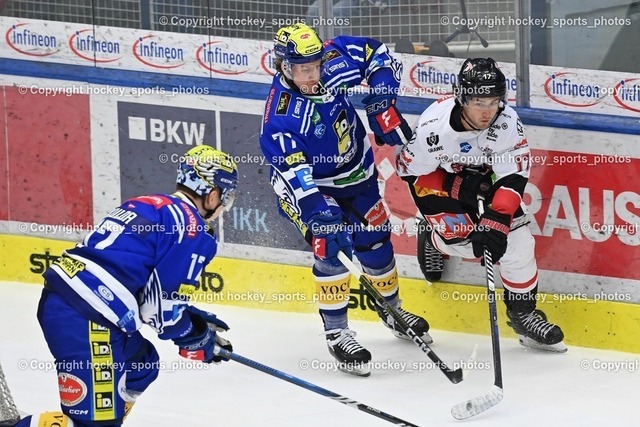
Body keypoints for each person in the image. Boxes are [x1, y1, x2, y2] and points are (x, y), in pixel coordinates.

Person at [14, 145, 239, 427]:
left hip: (69, 301)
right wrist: (196, 337)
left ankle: (103, 415)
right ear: (213, 194)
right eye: (225, 198)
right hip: (88, 318)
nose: (222, 208)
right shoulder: (194, 230)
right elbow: (161, 314)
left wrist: (189, 316)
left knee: (141, 366)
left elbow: (142, 286)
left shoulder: (147, 203)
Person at [259, 23, 430, 377]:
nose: (314, 74)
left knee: (376, 237)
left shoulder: (331, 60)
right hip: (311, 188)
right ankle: (337, 332)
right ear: (283, 67)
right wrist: (318, 215)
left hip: (357, 175)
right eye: (304, 69)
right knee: (332, 246)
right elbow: (296, 177)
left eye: (316, 65)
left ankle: (392, 309)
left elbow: (378, 54)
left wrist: (383, 97)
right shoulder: (282, 117)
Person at [396, 57, 567, 352]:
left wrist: (497, 221)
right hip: (440, 186)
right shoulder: (432, 130)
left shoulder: (506, 122)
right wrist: (456, 185)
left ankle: (523, 316)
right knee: (470, 244)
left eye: (494, 101)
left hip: (487, 182)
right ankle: (434, 239)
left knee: (517, 242)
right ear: (462, 97)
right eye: (478, 102)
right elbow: (408, 173)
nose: (487, 110)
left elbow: (513, 176)